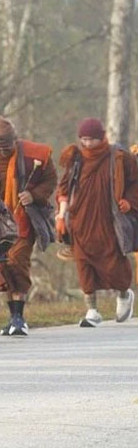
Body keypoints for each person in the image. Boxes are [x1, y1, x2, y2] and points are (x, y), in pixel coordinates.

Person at [56, 118, 137, 326]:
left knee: (114, 263)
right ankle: (92, 311)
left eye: (92, 139)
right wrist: (61, 216)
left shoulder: (118, 157)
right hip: (80, 222)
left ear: (101, 137)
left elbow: (135, 182)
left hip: (109, 222)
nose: (88, 144)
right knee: (83, 265)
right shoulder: (76, 159)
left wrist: (129, 201)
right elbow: (64, 189)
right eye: (84, 139)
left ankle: (124, 294)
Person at [0, 115, 57, 336]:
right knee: (2, 267)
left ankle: (19, 317)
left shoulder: (33, 155)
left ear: (14, 139)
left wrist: (33, 194)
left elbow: (51, 180)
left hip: (22, 221)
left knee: (17, 263)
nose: (3, 151)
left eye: (6, 146)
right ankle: (13, 317)